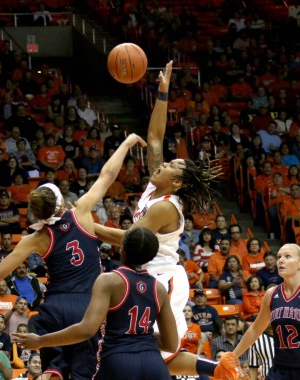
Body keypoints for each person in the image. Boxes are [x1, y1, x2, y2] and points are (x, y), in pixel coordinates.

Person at [0, 132, 148, 380]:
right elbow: (108, 175)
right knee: (83, 370)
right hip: (88, 304)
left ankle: (52, 370)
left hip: (54, 307)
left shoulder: (34, 239)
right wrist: (127, 142)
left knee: (53, 365)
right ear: (61, 201)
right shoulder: (82, 212)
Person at [93, 62, 241, 379]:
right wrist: (162, 93)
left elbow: (131, 239)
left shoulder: (166, 207)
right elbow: (155, 137)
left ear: (176, 183)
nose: (164, 163)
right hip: (144, 275)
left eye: (172, 165)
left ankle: (219, 369)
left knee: (158, 350)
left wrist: (86, 227)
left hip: (163, 278)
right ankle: (218, 370)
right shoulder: (155, 187)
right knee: (140, 347)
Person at [13, 227, 177, 380]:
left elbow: (86, 330)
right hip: (155, 364)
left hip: (118, 362)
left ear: (122, 249)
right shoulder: (159, 288)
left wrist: (41, 341)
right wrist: (140, 336)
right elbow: (171, 344)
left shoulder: (109, 280)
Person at [232, 244, 300, 379]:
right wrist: (234, 355)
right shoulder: (271, 294)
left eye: (287, 256)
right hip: (280, 370)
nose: (281, 260)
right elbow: (255, 330)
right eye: (279, 257)